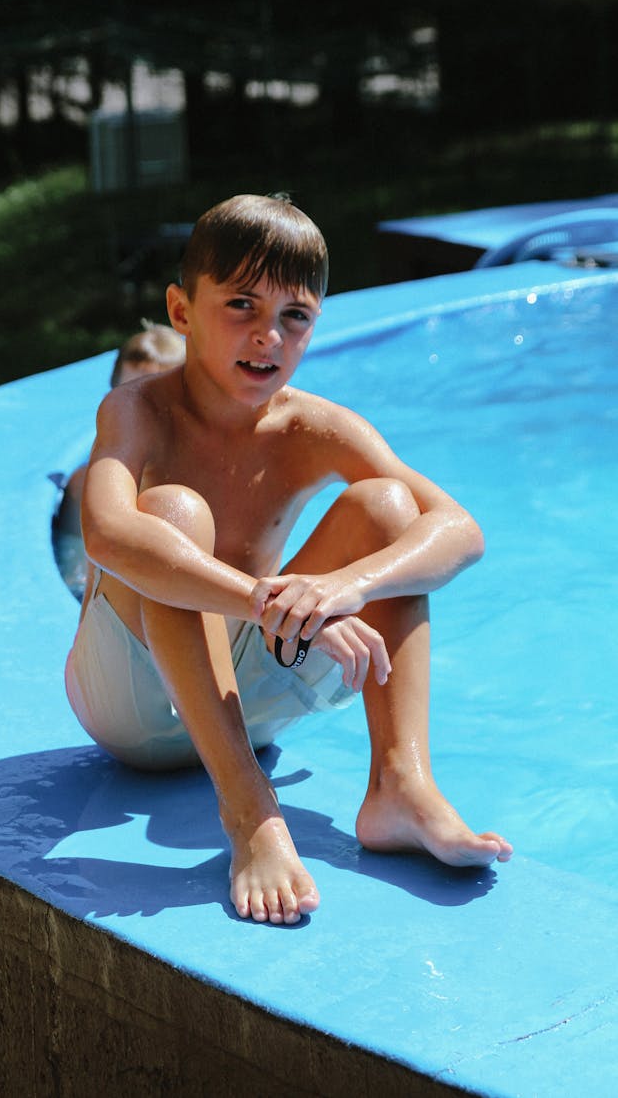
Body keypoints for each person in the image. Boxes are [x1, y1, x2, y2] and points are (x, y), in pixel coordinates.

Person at [65, 193, 513, 926]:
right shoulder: (139, 411)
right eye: (241, 303)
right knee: (173, 514)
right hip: (132, 699)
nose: (267, 334)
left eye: (294, 315)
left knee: (387, 509)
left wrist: (341, 587)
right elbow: (108, 534)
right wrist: (270, 600)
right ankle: (250, 814)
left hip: (251, 698)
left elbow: (460, 528)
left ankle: (401, 784)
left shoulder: (313, 426)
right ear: (181, 311)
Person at [51, 321, 186, 599]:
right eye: (129, 398)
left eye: (161, 400)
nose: (144, 412)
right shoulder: (84, 486)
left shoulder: (205, 477)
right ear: (109, 403)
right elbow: (73, 568)